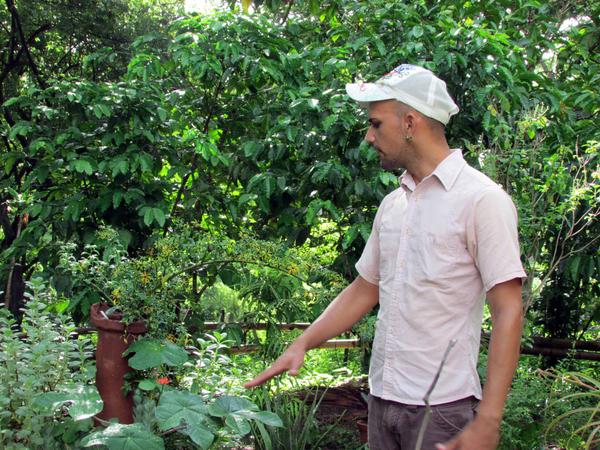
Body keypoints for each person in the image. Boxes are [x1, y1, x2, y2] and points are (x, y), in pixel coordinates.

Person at [245, 64, 525, 450]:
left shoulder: (482, 200)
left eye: (376, 123)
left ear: (409, 122)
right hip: (382, 401)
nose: (369, 135)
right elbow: (365, 289)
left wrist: (489, 420)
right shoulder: (394, 205)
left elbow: (509, 309)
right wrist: (303, 342)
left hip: (442, 411)